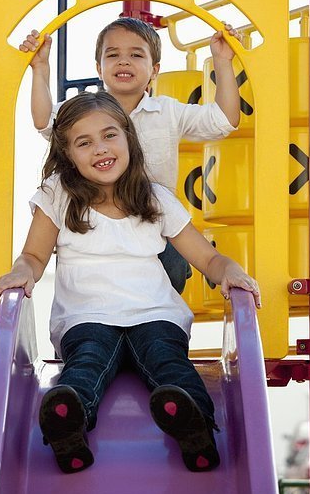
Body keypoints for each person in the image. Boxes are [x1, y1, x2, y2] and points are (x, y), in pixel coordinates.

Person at [0, 91, 261, 475]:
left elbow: (206, 258)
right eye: (83, 143)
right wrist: (22, 271)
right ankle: (68, 426)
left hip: (154, 313)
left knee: (169, 362)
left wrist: (230, 271)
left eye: (109, 135)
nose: (100, 149)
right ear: (67, 155)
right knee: (85, 363)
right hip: (86, 316)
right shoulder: (59, 195)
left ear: (129, 138)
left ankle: (194, 426)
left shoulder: (155, 198)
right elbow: (34, 256)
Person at [19, 17, 242, 294]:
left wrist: (222, 62)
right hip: (101, 226)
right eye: (113, 55)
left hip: (155, 224)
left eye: (136, 55)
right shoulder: (85, 112)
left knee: (170, 270)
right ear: (99, 68)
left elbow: (224, 120)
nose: (124, 62)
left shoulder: (167, 111)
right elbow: (44, 121)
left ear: (154, 70)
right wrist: (40, 69)